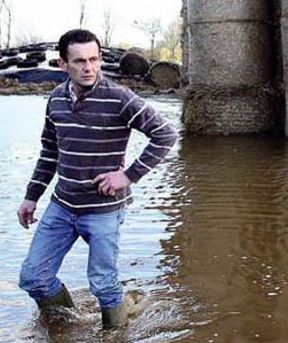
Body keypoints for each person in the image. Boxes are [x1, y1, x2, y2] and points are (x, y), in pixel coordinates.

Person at [17, 29, 178, 329]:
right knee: (34, 278)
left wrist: (128, 176)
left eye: (93, 59)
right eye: (79, 61)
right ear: (62, 64)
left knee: (104, 285)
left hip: (104, 209)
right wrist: (31, 196)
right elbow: (49, 154)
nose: (88, 67)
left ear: (100, 59)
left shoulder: (119, 98)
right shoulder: (55, 100)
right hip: (62, 206)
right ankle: (66, 327)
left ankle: (115, 334)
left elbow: (165, 134)